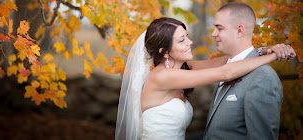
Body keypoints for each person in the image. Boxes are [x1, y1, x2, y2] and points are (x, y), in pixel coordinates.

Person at [115, 16, 295, 140]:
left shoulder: (182, 68)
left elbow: (223, 62)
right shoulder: (162, 77)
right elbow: (225, 72)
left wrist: (265, 50)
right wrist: (274, 57)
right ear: (164, 51)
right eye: (181, 40)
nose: (189, 43)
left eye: (186, 37)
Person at [193, 2, 295, 140]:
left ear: (240, 31)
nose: (213, 34)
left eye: (219, 28)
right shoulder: (226, 67)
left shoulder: (263, 78)